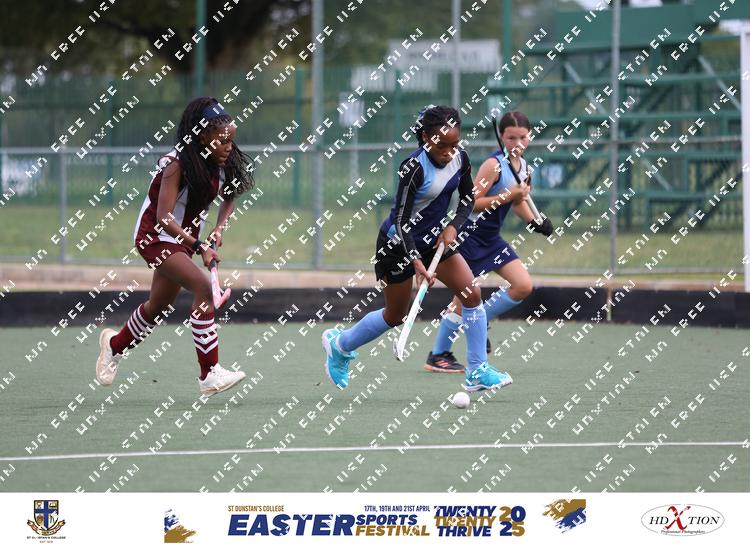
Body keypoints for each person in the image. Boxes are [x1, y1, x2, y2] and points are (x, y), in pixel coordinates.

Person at [322, 105, 513, 393]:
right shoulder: (413, 168)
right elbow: (401, 220)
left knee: (471, 293)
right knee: (395, 315)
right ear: (426, 137)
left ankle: (477, 370)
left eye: (454, 145)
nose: (448, 152)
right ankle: (340, 345)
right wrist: (415, 261)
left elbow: (467, 199)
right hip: (397, 244)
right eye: (442, 145)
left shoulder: (460, 158)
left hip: (434, 241)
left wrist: (453, 226)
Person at [95, 97, 254, 396]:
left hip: (184, 238)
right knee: (203, 288)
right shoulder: (175, 164)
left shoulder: (222, 161)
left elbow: (230, 197)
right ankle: (209, 374)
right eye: (222, 141)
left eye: (231, 141)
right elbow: (163, 217)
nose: (228, 147)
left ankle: (114, 346)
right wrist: (200, 246)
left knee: (158, 307)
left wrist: (219, 228)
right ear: (202, 136)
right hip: (155, 236)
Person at [424, 110, 553, 373]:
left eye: (523, 137)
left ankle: (479, 321)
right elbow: (471, 203)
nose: (517, 143)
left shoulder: (525, 168)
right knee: (463, 298)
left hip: (492, 239)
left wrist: (534, 221)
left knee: (522, 285)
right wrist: (508, 195)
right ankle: (438, 354)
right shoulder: (493, 166)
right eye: (511, 137)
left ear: (530, 137)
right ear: (501, 137)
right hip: (470, 236)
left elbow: (517, 202)